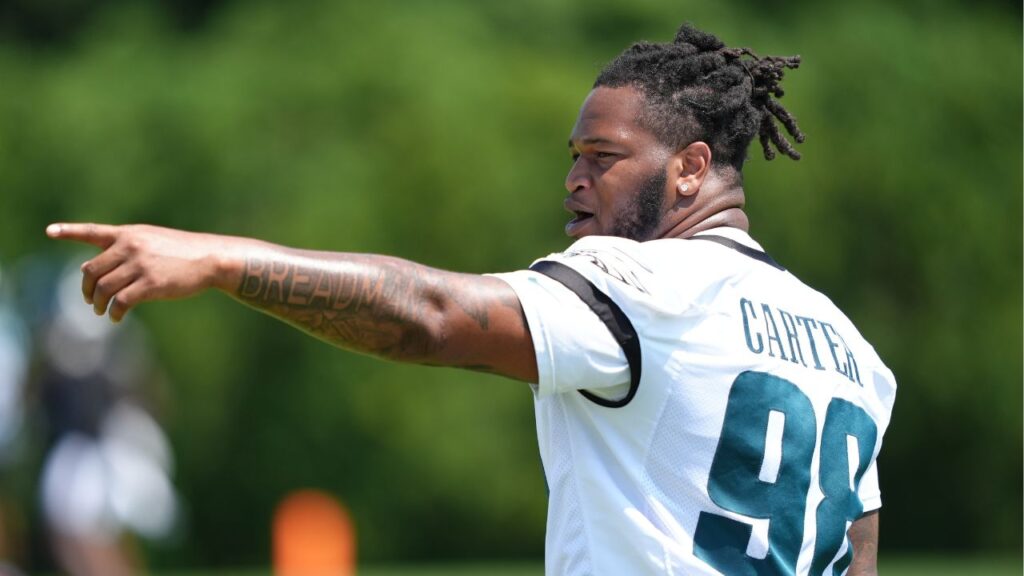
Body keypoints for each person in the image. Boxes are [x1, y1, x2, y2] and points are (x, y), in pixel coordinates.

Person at [47, 22, 896, 576]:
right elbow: (858, 556)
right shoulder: (853, 351)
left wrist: (224, 259)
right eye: (573, 155)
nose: (573, 180)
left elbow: (434, 315)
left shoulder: (646, 288)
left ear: (690, 167)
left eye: (603, 156)